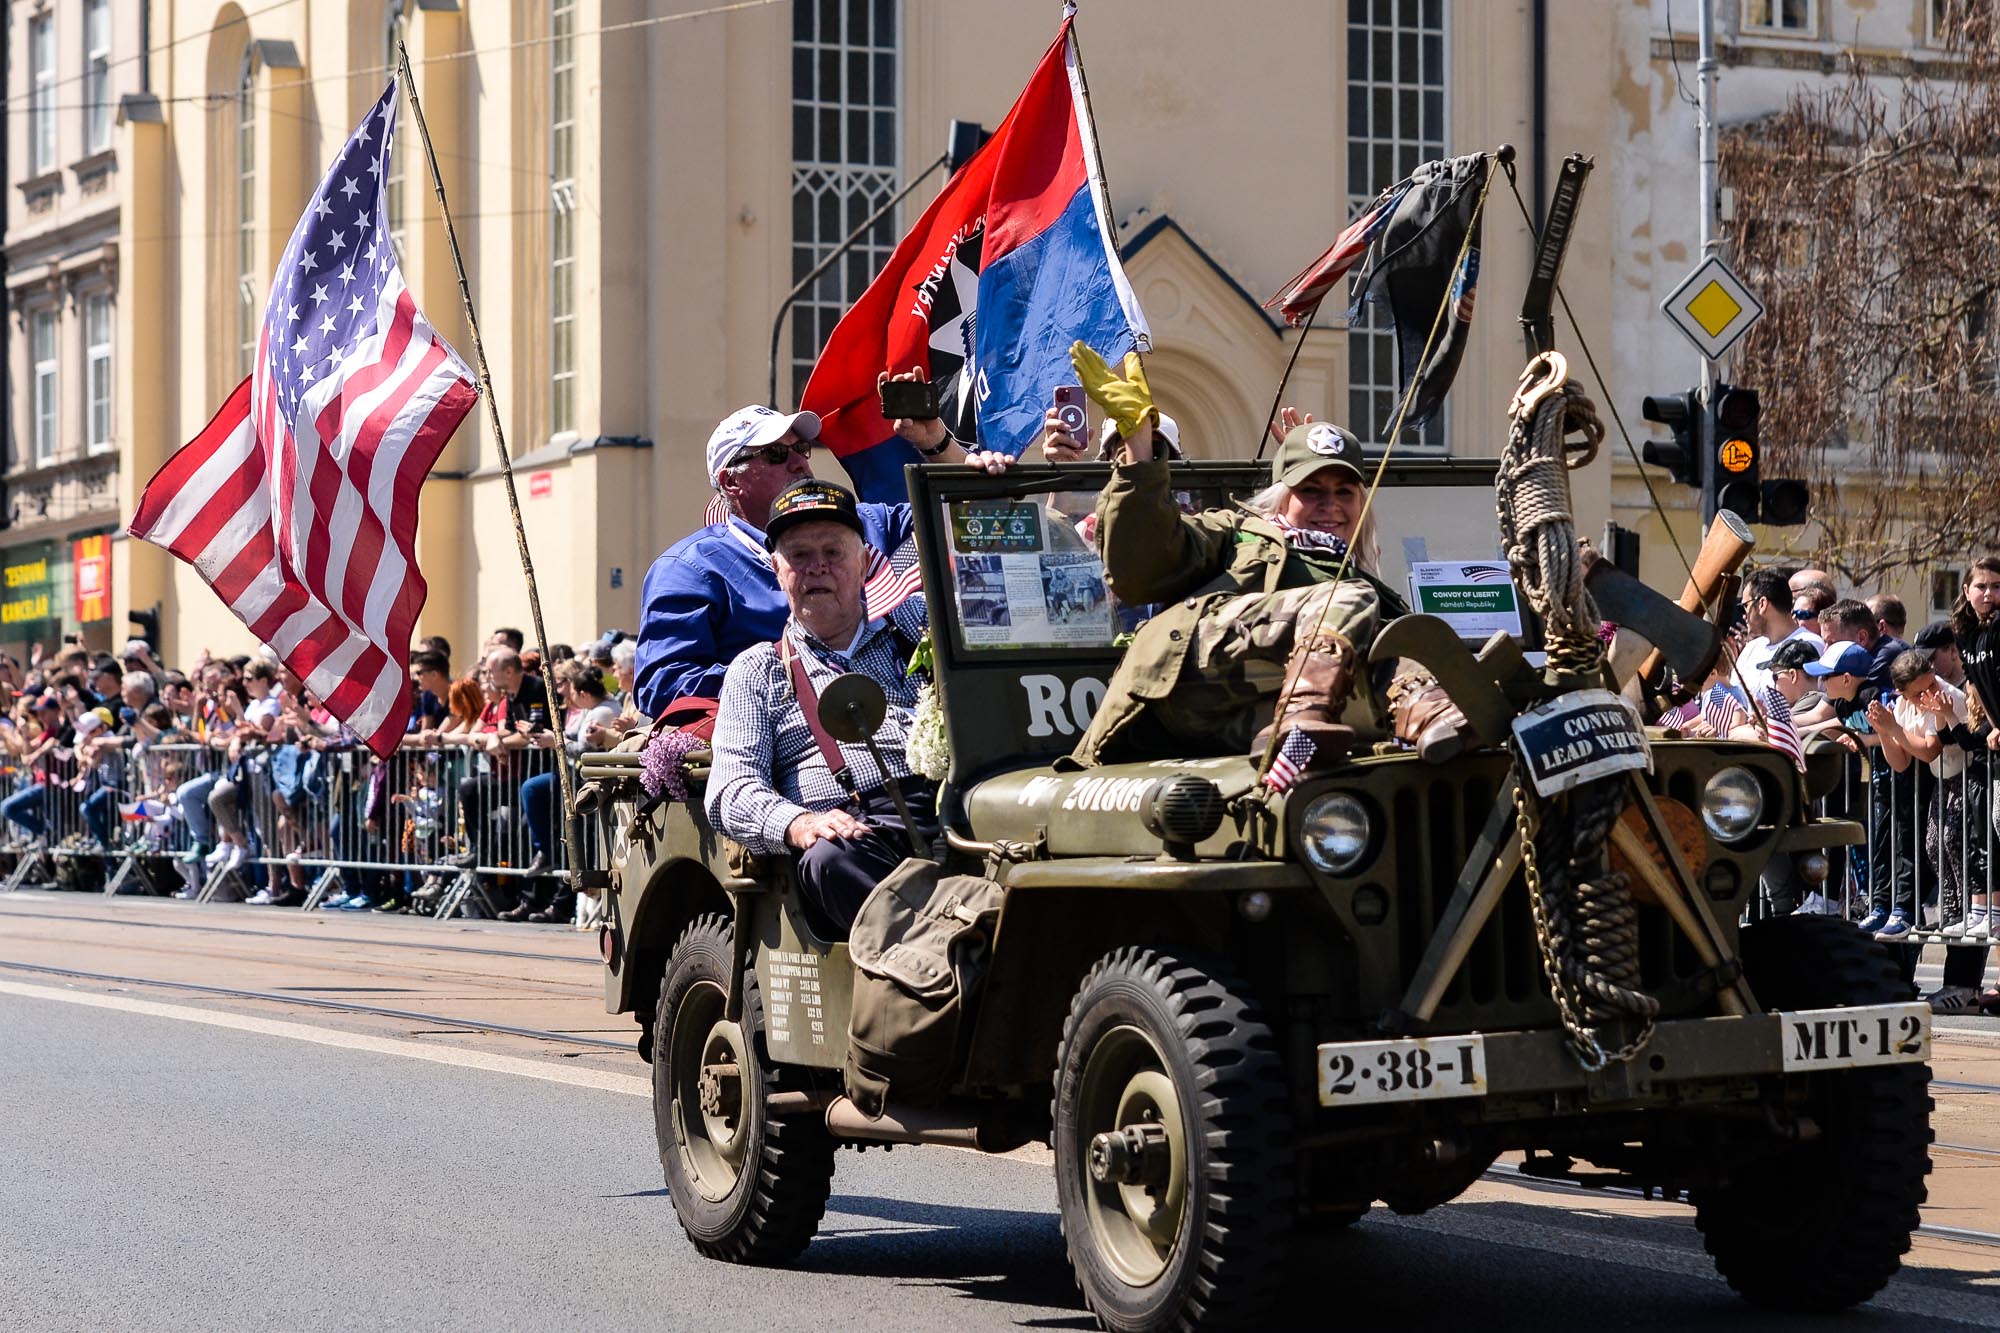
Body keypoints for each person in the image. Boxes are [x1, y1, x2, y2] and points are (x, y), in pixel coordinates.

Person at [1061, 344, 1460, 770]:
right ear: (1282, 497)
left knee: (1404, 648)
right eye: (1311, 491)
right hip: (1183, 686)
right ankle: (1300, 725)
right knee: (1344, 599)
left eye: (1344, 492)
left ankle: (1450, 725)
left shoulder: (1370, 584)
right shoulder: (1237, 533)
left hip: (1260, 719)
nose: (1331, 506)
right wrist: (1140, 456)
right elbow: (1139, 568)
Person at [633, 393, 1008, 721]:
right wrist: (796, 673)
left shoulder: (864, 522)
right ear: (731, 481)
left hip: (904, 716)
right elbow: (663, 685)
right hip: (784, 747)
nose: (798, 463)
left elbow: (976, 517)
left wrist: (936, 443)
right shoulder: (690, 569)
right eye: (777, 454)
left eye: (802, 449)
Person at [706, 479, 939, 938]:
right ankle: (937, 962)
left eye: (833, 553)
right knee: (828, 859)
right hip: (858, 835)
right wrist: (798, 822)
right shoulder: (759, 670)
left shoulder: (920, 628)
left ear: (864, 561)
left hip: (955, 810)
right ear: (777, 569)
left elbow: (998, 605)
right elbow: (730, 789)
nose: (817, 569)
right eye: (799, 556)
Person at [1734, 568, 1824, 698]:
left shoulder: (1810, 646)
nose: (1744, 615)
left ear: (1762, 604)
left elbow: (1810, 705)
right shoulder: (1751, 649)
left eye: (1745, 606)